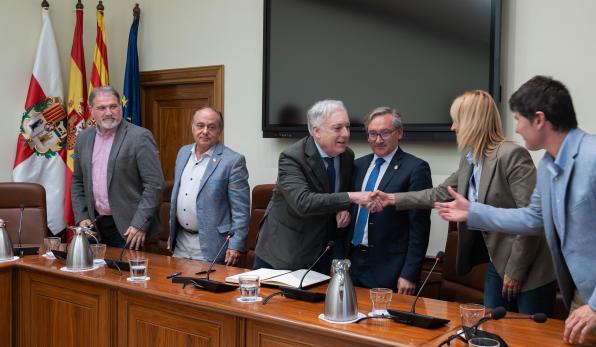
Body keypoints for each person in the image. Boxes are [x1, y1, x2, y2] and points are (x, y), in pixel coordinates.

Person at [433, 76, 596, 346]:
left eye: (519, 119)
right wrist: (474, 212)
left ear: (539, 119)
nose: (516, 128)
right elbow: (533, 218)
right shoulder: (548, 165)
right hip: (587, 292)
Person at [372, 91, 556, 314]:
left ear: (472, 122)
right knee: (490, 332)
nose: (453, 127)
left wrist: (515, 271)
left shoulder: (512, 155)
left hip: (528, 268)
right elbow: (439, 193)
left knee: (527, 338)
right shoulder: (470, 157)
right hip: (496, 263)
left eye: (456, 120)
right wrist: (390, 198)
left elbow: (532, 218)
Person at [253, 100, 372, 273]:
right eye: (338, 128)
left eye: (347, 127)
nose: (346, 134)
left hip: (322, 250)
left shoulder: (346, 155)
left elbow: (334, 195)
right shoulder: (292, 157)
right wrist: (351, 198)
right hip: (283, 252)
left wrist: (342, 208)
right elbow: (303, 202)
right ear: (316, 131)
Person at [345, 107, 431, 294]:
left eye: (384, 133)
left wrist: (409, 273)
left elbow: (420, 227)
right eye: (372, 134)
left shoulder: (416, 168)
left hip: (389, 268)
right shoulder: (357, 165)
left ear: (399, 133)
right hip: (351, 262)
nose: (378, 140)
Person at [72, 86, 164, 250]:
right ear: (92, 110)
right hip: (95, 227)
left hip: (131, 229)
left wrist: (140, 224)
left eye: (113, 106)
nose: (109, 112)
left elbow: (154, 185)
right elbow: (78, 181)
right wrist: (82, 216)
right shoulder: (83, 139)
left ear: (120, 107)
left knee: (128, 275)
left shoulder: (139, 137)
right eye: (102, 108)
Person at [168, 106, 250, 265]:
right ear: (192, 127)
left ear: (219, 130)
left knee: (202, 289)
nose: (205, 131)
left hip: (212, 245)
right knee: (176, 289)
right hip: (181, 242)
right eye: (200, 125)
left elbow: (241, 211)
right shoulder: (183, 153)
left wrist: (236, 245)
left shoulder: (233, 161)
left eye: (211, 127)